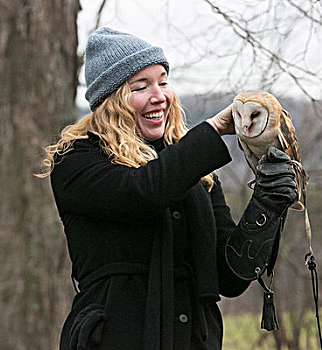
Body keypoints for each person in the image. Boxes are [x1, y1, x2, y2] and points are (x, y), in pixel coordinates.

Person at [40, 27, 297, 349]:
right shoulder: (78, 159)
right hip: (113, 338)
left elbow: (230, 276)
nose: (159, 95)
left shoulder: (194, 174)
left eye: (163, 81)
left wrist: (267, 205)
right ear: (112, 98)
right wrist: (214, 129)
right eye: (141, 86)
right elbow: (144, 192)